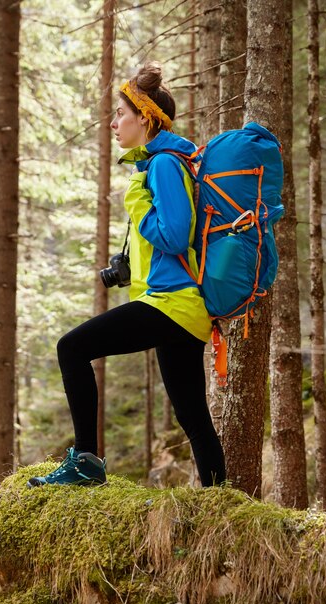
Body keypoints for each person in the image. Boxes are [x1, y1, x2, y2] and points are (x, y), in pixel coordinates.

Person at [27, 61, 226, 489]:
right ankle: (220, 504)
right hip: (183, 308)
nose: (114, 122)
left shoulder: (165, 165)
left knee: (72, 348)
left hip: (171, 302)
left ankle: (86, 463)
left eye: (120, 114)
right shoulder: (159, 163)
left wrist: (137, 204)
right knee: (192, 416)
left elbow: (173, 235)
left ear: (145, 117)